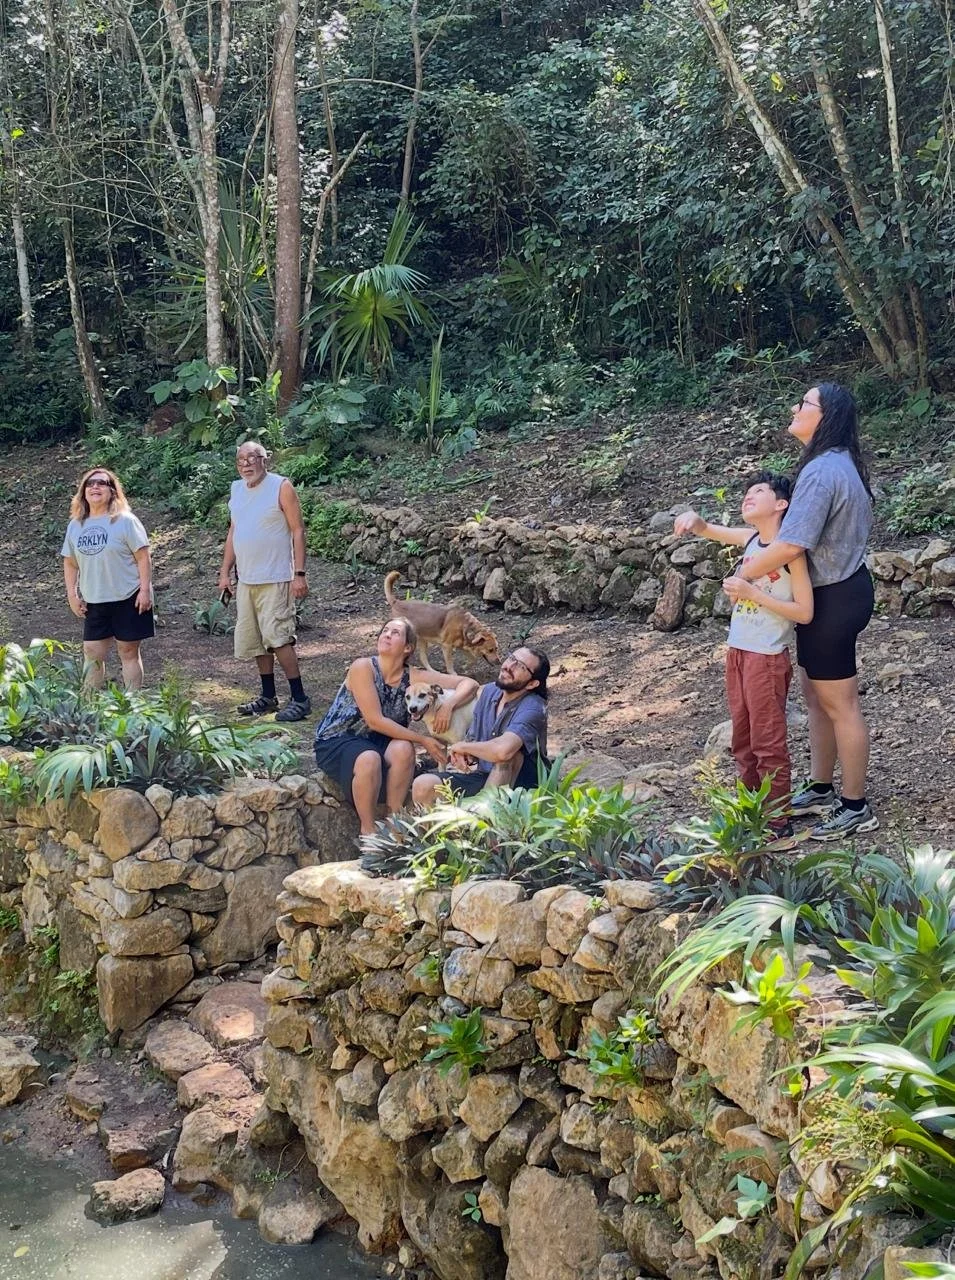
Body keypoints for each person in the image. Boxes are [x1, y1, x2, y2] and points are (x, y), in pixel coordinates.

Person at [724, 382, 877, 840]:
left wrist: (746, 576)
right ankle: (822, 786)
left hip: (835, 597)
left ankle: (854, 806)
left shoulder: (822, 471)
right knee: (816, 697)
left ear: (825, 416)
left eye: (804, 403)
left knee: (839, 703)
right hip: (840, 591)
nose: (795, 408)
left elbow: (791, 543)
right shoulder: (835, 463)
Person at [674, 473, 813, 832]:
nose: (749, 496)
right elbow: (712, 530)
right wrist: (695, 520)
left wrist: (754, 594)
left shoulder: (789, 550)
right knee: (742, 739)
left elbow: (805, 611)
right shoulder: (752, 538)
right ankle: (749, 813)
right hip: (737, 652)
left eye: (760, 491)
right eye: (747, 491)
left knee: (768, 742)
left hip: (767, 657)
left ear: (781, 504)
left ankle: (778, 820)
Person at [314, 618, 476, 835]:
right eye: (385, 630)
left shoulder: (414, 676)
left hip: (379, 742)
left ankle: (394, 825)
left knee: (403, 749)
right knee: (369, 757)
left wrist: (448, 707)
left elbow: (469, 684)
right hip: (339, 740)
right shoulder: (363, 667)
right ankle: (368, 831)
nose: (387, 634)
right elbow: (374, 721)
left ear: (408, 647)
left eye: (395, 633)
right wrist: (423, 740)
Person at [217, 441, 312, 722]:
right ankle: (268, 696)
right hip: (247, 578)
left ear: (265, 459)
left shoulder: (280, 486)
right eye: (241, 460)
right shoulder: (236, 490)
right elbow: (233, 532)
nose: (247, 463)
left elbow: (297, 531)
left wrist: (300, 574)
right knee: (256, 640)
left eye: (252, 458)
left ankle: (300, 698)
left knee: (279, 637)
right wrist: (225, 572)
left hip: (277, 576)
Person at [412, 646, 551, 809]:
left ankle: (483, 823)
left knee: (507, 757)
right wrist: (466, 755)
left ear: (532, 683)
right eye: (511, 658)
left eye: (520, 666)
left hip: (523, 789)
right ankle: (434, 834)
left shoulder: (533, 707)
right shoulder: (489, 692)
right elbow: (474, 740)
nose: (508, 666)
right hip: (484, 776)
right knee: (423, 784)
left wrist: (462, 745)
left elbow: (503, 751)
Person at [61, 467, 154, 689]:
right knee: (92, 653)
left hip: (129, 596)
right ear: (83, 492)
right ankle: (91, 706)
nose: (95, 487)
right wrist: (72, 595)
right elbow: (70, 562)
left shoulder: (125, 521)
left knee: (128, 651)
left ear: (112, 491)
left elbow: (143, 557)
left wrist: (144, 589)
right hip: (94, 599)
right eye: (90, 483)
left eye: (102, 483)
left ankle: (133, 704)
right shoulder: (76, 525)